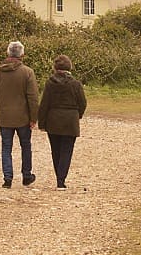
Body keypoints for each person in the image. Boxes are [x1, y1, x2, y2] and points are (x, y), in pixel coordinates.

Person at [0, 41, 39, 188]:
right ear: (22, 55)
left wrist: (2, 102)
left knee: (6, 147)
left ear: (8, 53)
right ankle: (27, 175)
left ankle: (8, 178)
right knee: (26, 146)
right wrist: (33, 117)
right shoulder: (28, 72)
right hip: (23, 117)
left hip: (4, 116)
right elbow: (33, 97)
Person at [37, 54, 87, 189]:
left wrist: (41, 122)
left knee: (56, 150)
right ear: (69, 67)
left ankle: (59, 177)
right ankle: (61, 179)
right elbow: (82, 102)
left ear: (55, 68)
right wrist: (78, 115)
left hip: (53, 120)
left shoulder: (49, 84)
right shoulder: (76, 84)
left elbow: (44, 104)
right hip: (70, 120)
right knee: (67, 150)